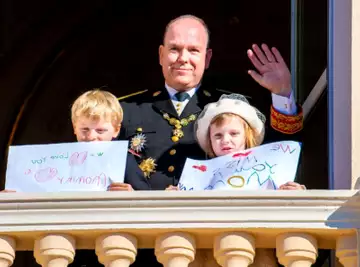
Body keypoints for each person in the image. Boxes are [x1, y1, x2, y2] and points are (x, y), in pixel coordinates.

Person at [118, 14, 303, 191]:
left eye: (193, 50)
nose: (183, 58)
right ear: (161, 55)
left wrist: (282, 94)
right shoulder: (125, 110)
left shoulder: (233, 107)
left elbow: (279, 154)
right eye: (174, 49)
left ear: (207, 58)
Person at [174, 93, 305, 266]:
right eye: (218, 136)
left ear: (247, 136)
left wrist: (295, 194)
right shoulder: (199, 175)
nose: (225, 140)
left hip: (257, 252)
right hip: (208, 253)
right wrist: (175, 196)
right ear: (210, 142)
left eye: (234, 133)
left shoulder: (268, 169)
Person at [2, 89, 150, 192]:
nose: (92, 136)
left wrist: (132, 193)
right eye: (84, 130)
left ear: (116, 130)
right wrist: (14, 194)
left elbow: (148, 197)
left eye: (100, 130)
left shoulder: (124, 159)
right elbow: (35, 187)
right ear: (74, 128)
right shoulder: (57, 159)